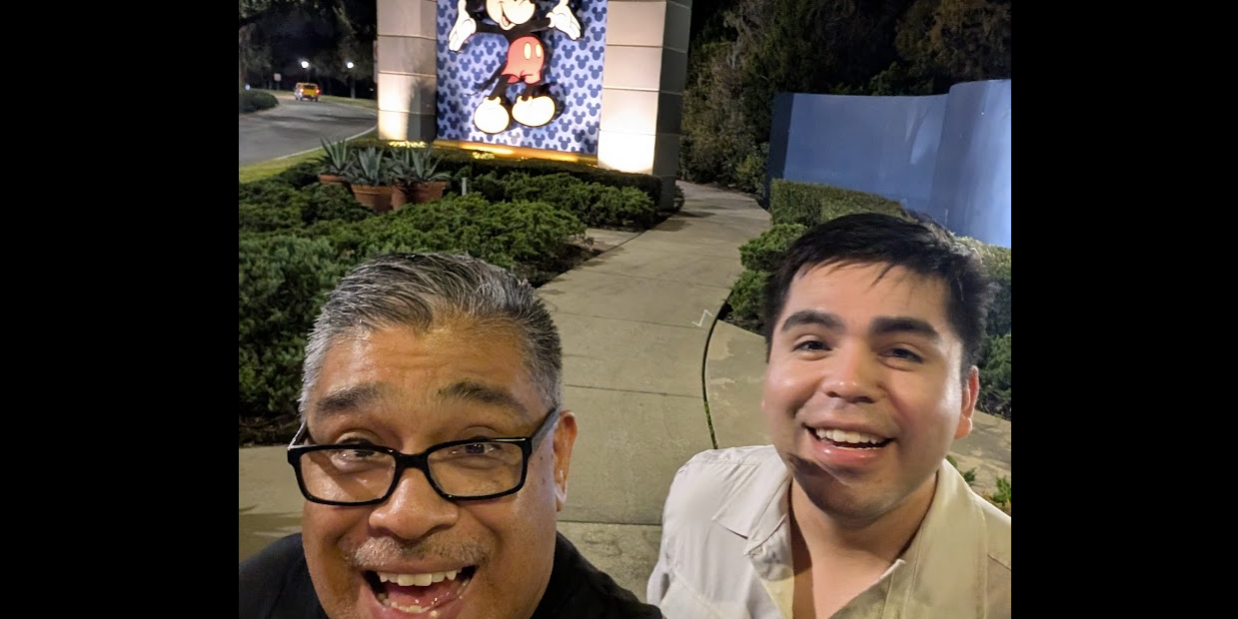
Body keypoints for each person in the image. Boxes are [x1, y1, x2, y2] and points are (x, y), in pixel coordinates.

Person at [240, 252, 664, 619]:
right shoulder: (261, 591)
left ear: (557, 459)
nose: (407, 517)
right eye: (359, 448)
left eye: (475, 446)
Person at [646, 213, 1011, 618]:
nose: (847, 383)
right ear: (769, 372)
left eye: (902, 352)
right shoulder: (700, 494)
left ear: (965, 399)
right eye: (813, 344)